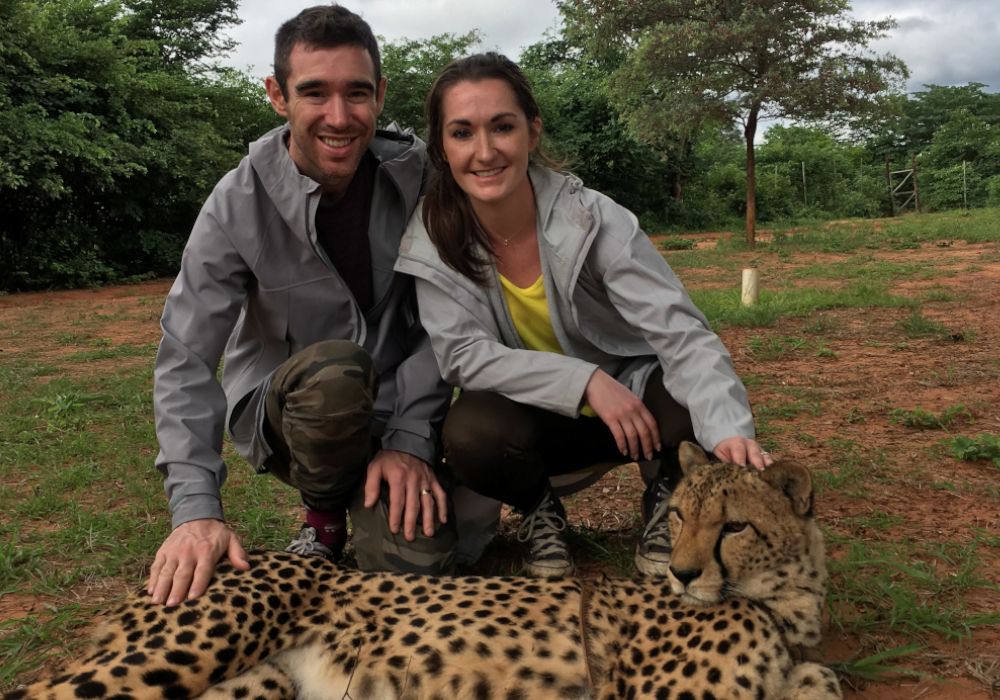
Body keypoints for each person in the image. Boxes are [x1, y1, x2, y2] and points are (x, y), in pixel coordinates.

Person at [394, 53, 773, 578]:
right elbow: (464, 356)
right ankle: (537, 509)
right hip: (535, 419)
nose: (485, 152)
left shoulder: (593, 218)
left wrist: (732, 433)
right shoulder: (432, 238)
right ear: (441, 145)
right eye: (462, 133)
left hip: (637, 407)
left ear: (532, 129)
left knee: (687, 395)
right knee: (470, 434)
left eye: (502, 127)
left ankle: (668, 493)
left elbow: (681, 332)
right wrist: (586, 380)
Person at [147, 5, 455, 608]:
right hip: (293, 415)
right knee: (337, 371)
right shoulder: (236, 203)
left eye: (357, 93)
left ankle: (392, 485)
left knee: (417, 567)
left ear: (381, 94)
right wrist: (194, 511)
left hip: (395, 409)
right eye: (314, 92)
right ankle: (322, 516)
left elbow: (445, 318)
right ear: (277, 96)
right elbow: (185, 358)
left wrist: (410, 438)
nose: (339, 118)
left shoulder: (419, 175)